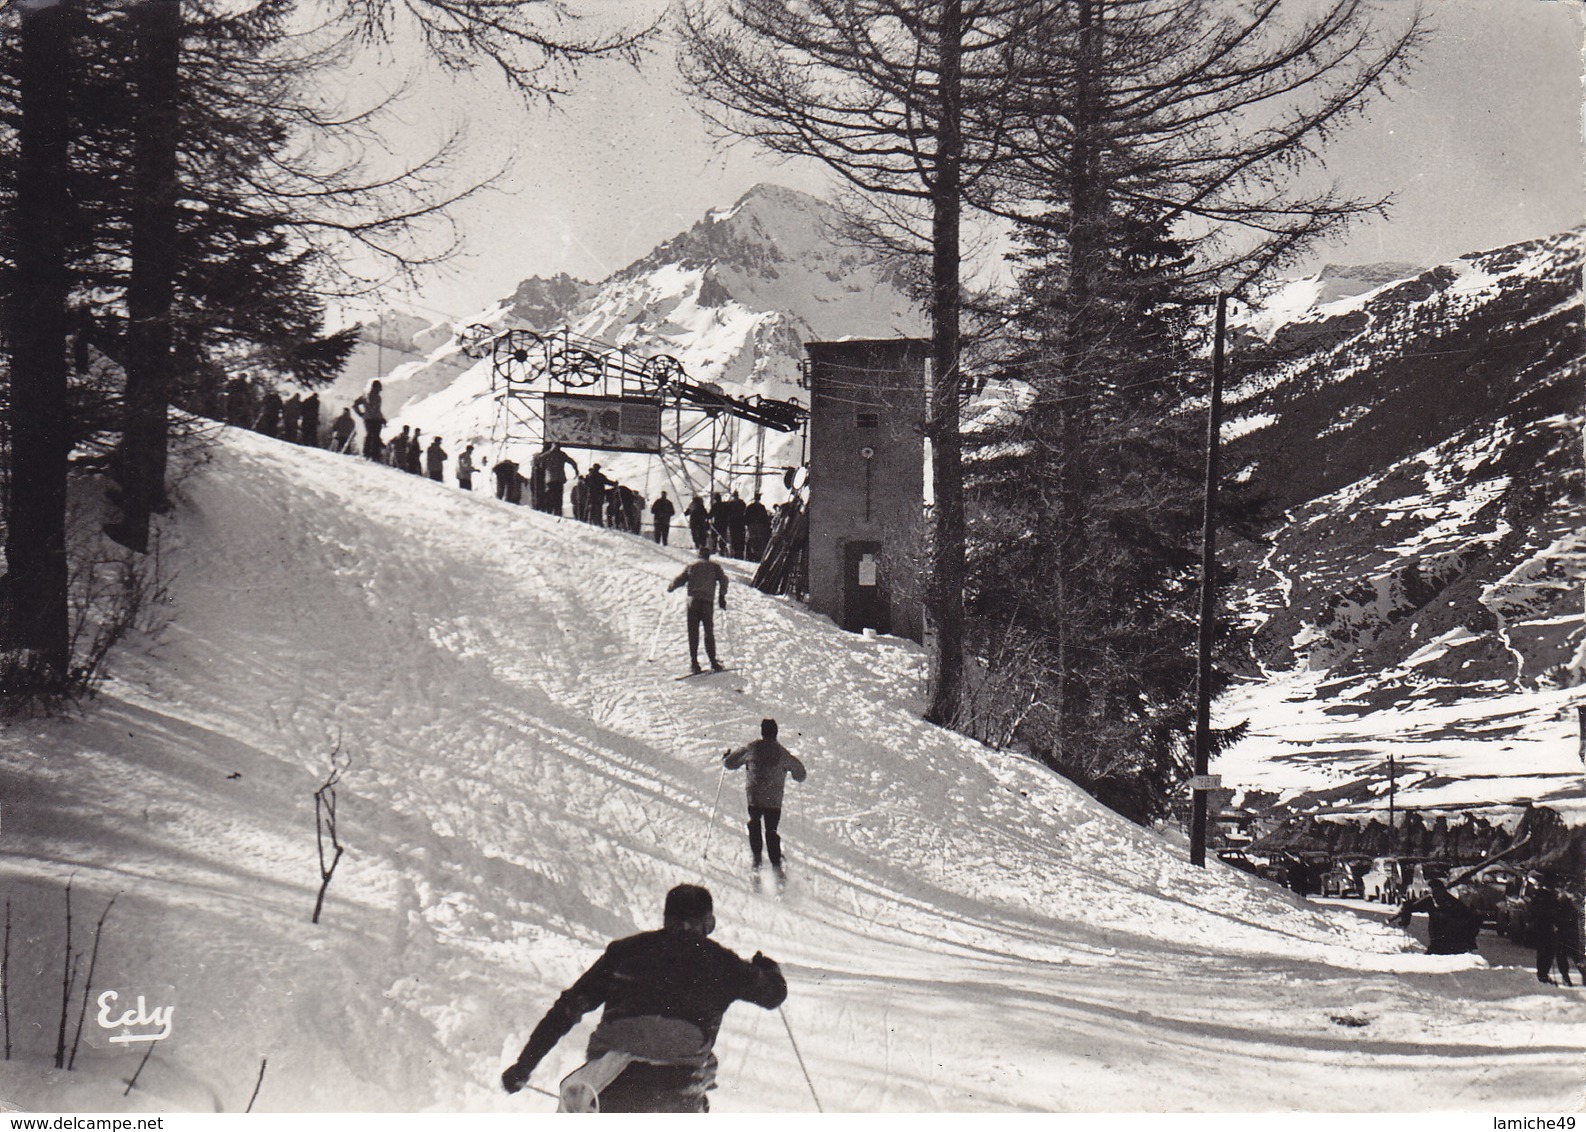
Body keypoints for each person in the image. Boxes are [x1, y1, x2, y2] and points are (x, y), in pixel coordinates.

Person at [500, 885, 786, 1112]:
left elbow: (567, 1010)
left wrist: (524, 1066)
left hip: (610, 1080)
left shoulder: (624, 952)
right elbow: (773, 996)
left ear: (665, 920)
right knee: (699, 1073)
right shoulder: (723, 963)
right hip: (678, 1084)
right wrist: (768, 971)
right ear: (708, 923)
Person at [723, 718, 807, 880]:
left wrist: (726, 757)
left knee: (754, 824)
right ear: (776, 733)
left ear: (762, 732)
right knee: (771, 831)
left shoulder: (752, 748)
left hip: (754, 797)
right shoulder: (782, 753)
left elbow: (730, 763)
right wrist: (796, 775)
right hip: (773, 801)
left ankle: (757, 860)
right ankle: (776, 866)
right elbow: (800, 773)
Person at [667, 545, 728, 674]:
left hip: (692, 602)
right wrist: (721, 597)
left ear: (699, 555)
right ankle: (713, 662)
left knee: (693, 632)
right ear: (709, 555)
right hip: (707, 602)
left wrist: (671, 587)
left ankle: (694, 664)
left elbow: (680, 580)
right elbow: (724, 581)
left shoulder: (692, 566)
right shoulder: (715, 567)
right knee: (708, 631)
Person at [1392, 877, 1482, 955]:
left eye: (1436, 892)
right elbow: (1411, 906)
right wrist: (1405, 916)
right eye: (1432, 892)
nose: (1434, 895)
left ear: (1442, 891)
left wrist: (1469, 941)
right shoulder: (1430, 901)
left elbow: (1472, 921)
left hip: (1454, 946)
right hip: (1436, 944)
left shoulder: (1454, 904)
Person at [1530, 874, 1584, 986]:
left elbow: (1535, 911)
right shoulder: (1553, 897)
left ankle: (1546, 975)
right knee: (1552, 953)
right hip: (1552, 929)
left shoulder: (1543, 896)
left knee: (1549, 953)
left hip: (1548, 929)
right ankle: (1547, 976)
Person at [542, 442, 578, 516]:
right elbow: (572, 462)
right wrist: (576, 470)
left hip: (550, 479)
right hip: (559, 479)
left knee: (550, 497)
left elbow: (537, 459)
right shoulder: (562, 455)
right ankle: (558, 513)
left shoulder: (548, 454)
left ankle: (549, 512)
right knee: (558, 498)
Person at [353, 380, 384, 460]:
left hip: (375, 419)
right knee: (371, 435)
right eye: (378, 389)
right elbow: (355, 404)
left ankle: (374, 455)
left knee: (375, 436)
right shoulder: (366, 396)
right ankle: (367, 453)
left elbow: (378, 410)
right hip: (369, 419)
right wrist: (360, 413)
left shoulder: (378, 397)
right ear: (375, 387)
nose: (379, 391)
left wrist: (382, 419)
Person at [744, 494, 771, 561]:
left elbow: (746, 517)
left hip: (752, 526)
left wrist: (747, 525)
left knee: (753, 541)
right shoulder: (762, 507)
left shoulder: (750, 507)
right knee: (760, 541)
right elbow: (765, 518)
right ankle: (758, 556)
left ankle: (753, 555)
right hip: (760, 527)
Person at [723, 491, 748, 559]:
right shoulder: (742, 503)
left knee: (733, 539)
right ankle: (741, 554)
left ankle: (735, 554)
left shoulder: (730, 503)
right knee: (741, 539)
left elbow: (727, 513)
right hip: (741, 523)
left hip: (733, 523)